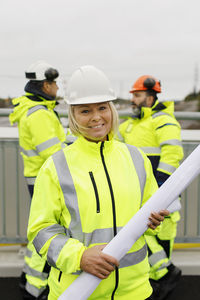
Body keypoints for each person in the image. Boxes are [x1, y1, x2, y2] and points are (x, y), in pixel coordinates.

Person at [27, 65, 169, 300]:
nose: (96, 117)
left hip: (134, 292)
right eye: (85, 110)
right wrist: (79, 257)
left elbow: (151, 212)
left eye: (102, 108)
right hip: (78, 292)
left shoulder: (136, 157)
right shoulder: (56, 166)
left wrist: (156, 221)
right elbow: (41, 231)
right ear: (73, 115)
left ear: (112, 109)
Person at [118, 75, 184, 300]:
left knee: (160, 246)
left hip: (163, 200)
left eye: (137, 96)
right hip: (141, 198)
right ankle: (163, 279)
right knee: (144, 243)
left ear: (150, 96)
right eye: (133, 96)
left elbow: (172, 155)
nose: (133, 100)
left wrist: (157, 191)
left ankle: (165, 279)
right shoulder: (129, 126)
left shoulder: (163, 120)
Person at [9, 60, 68, 299]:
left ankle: (30, 280)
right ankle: (35, 288)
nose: (56, 87)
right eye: (53, 83)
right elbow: (54, 153)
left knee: (42, 231)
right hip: (46, 179)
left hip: (39, 177)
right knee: (49, 233)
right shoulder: (39, 115)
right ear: (45, 85)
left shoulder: (37, 110)